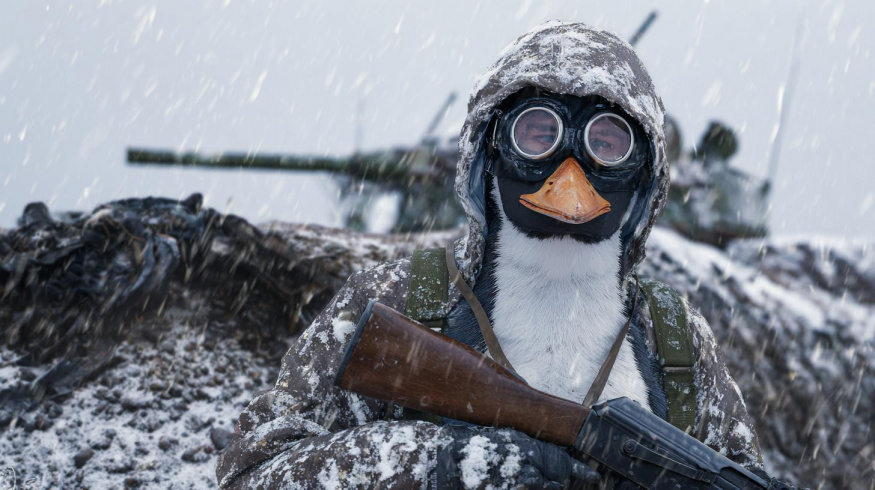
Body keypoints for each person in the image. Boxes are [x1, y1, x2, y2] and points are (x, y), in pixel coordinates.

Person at [217, 22, 773, 488]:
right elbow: (255, 470)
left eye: (607, 143)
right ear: (491, 148)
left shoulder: (674, 339)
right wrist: (451, 462)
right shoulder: (401, 302)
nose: (569, 175)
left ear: (643, 171)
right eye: (538, 134)